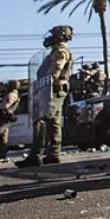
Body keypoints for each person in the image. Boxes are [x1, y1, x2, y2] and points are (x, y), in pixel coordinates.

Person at [16, 26, 74, 168]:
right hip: (53, 89)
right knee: (54, 121)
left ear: (59, 36)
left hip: (52, 89)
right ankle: (52, 154)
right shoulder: (56, 51)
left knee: (41, 119)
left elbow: (55, 71)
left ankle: (36, 154)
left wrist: (43, 85)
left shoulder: (60, 51)